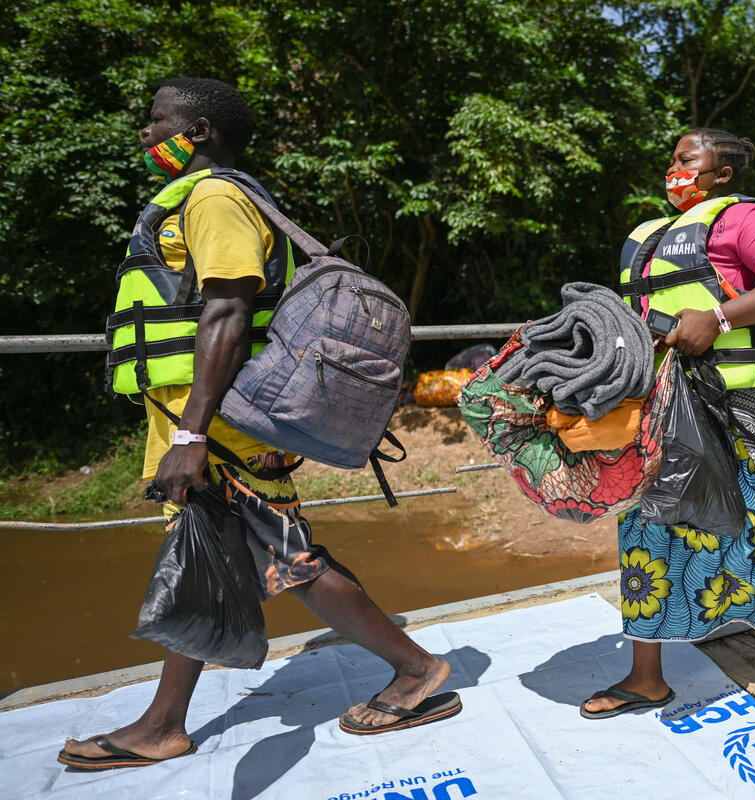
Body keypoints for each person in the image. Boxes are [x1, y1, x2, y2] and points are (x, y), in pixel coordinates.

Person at [59, 79, 458, 771]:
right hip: (195, 420)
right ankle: (164, 723)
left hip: (219, 425)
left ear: (202, 129)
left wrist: (191, 435)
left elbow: (228, 314)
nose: (147, 133)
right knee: (205, 549)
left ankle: (419, 672)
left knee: (286, 559)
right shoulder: (191, 198)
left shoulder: (214, 198)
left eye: (159, 120)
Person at [591, 129, 755, 717]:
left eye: (687, 158)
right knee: (644, 527)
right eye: (672, 158)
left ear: (723, 172)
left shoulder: (743, 219)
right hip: (658, 407)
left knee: (742, 530)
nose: (673, 168)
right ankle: (646, 676)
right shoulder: (648, 237)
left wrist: (718, 314)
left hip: (727, 407)